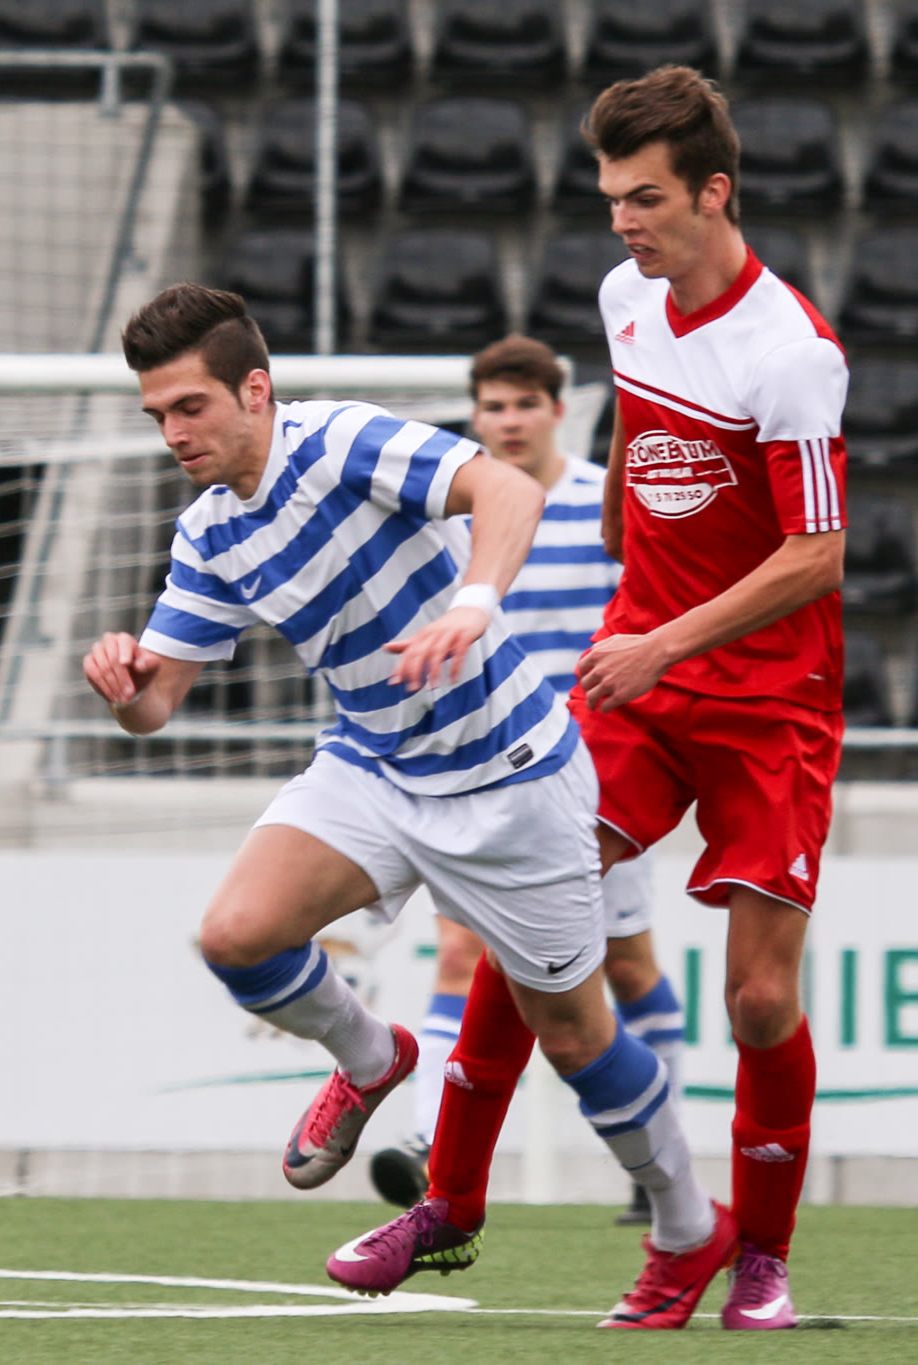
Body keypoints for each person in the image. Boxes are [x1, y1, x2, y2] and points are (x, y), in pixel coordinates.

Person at [83, 283, 715, 1315]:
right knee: (236, 936)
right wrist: (120, 684)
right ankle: (371, 1057)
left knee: (575, 1039)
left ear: (255, 390)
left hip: (512, 776)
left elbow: (505, 491)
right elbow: (154, 706)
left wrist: (471, 606)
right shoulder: (207, 531)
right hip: (374, 768)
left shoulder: (337, 441)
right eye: (157, 415)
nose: (173, 433)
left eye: (189, 406)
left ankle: (686, 1227)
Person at [347, 66, 847, 1330]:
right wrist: (631, 563)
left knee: (757, 1000)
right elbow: (640, 431)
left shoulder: (790, 353)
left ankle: (758, 1257)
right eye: (611, 198)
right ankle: (447, 1206)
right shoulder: (626, 298)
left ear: (712, 192)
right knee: (521, 920)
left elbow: (814, 556)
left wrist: (662, 639)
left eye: (644, 198)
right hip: (641, 685)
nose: (621, 223)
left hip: (766, 704)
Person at [366, 336, 688, 1229]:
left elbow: (648, 612)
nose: (507, 421)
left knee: (627, 965)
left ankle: (659, 1155)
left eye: (523, 405)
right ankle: (428, 1145)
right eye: (493, 406)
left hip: (594, 770)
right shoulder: (458, 514)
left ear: (558, 410)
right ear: (476, 414)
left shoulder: (604, 502)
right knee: (461, 954)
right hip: (484, 768)